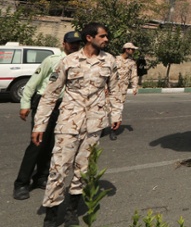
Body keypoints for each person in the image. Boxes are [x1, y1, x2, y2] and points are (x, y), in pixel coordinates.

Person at [32, 23, 123, 227]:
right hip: (68, 122)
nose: (107, 39)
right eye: (103, 36)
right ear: (89, 38)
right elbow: (50, 94)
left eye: (107, 36)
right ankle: (51, 214)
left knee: (83, 169)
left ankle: (72, 211)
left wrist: (115, 114)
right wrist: (40, 125)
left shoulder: (110, 61)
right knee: (58, 168)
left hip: (94, 123)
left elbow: (115, 90)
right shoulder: (69, 61)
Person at [13, 31, 82, 201]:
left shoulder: (80, 63)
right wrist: (25, 104)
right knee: (37, 143)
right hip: (44, 103)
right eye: (71, 43)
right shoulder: (52, 60)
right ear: (64, 43)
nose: (74, 46)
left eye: (77, 43)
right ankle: (21, 183)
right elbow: (33, 82)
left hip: (64, 107)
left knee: (52, 144)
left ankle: (41, 177)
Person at [107, 42, 139, 140]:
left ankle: (113, 131)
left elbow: (134, 75)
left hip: (122, 90)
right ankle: (102, 127)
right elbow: (107, 73)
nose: (133, 51)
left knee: (118, 110)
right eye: (132, 49)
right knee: (106, 108)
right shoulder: (115, 59)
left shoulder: (132, 62)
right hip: (110, 88)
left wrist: (134, 87)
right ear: (126, 49)